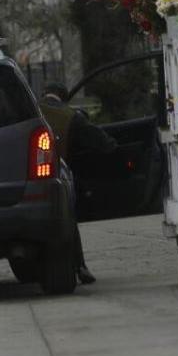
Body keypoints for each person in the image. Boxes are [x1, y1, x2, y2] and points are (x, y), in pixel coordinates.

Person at [38, 82, 117, 285]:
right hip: (57, 177)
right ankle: (80, 266)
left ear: (44, 94)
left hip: (28, 179)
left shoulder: (31, 111)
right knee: (68, 220)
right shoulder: (71, 117)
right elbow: (103, 143)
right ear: (63, 97)